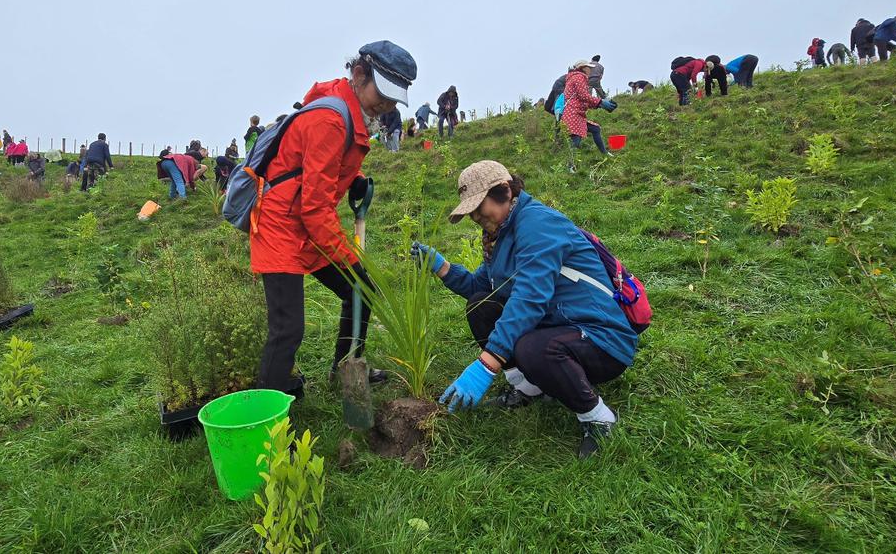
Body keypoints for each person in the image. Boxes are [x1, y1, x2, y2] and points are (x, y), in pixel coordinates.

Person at [412, 160, 639, 458]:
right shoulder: (501, 237)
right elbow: (480, 287)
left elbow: (530, 298)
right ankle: (529, 388)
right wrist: (441, 267)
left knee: (533, 348)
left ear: (505, 192)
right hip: (559, 327)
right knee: (481, 305)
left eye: (480, 207)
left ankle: (598, 418)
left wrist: (487, 364)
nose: (477, 217)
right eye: (472, 212)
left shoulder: (537, 224)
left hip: (601, 339)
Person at [252, 40, 417, 399]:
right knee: (287, 329)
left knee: (360, 288)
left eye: (393, 99)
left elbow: (315, 170)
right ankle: (267, 423)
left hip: (306, 223)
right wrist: (350, 256)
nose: (387, 106)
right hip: (281, 225)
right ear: (359, 74)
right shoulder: (330, 117)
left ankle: (347, 372)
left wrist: (351, 179)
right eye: (383, 95)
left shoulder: (348, 110)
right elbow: (314, 208)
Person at [562, 60, 616, 163]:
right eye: (589, 68)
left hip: (573, 114)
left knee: (595, 129)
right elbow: (584, 96)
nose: (590, 70)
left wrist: (600, 105)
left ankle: (605, 153)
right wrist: (601, 102)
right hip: (574, 114)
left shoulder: (573, 77)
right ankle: (570, 166)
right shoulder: (579, 77)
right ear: (583, 68)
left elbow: (582, 100)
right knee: (575, 140)